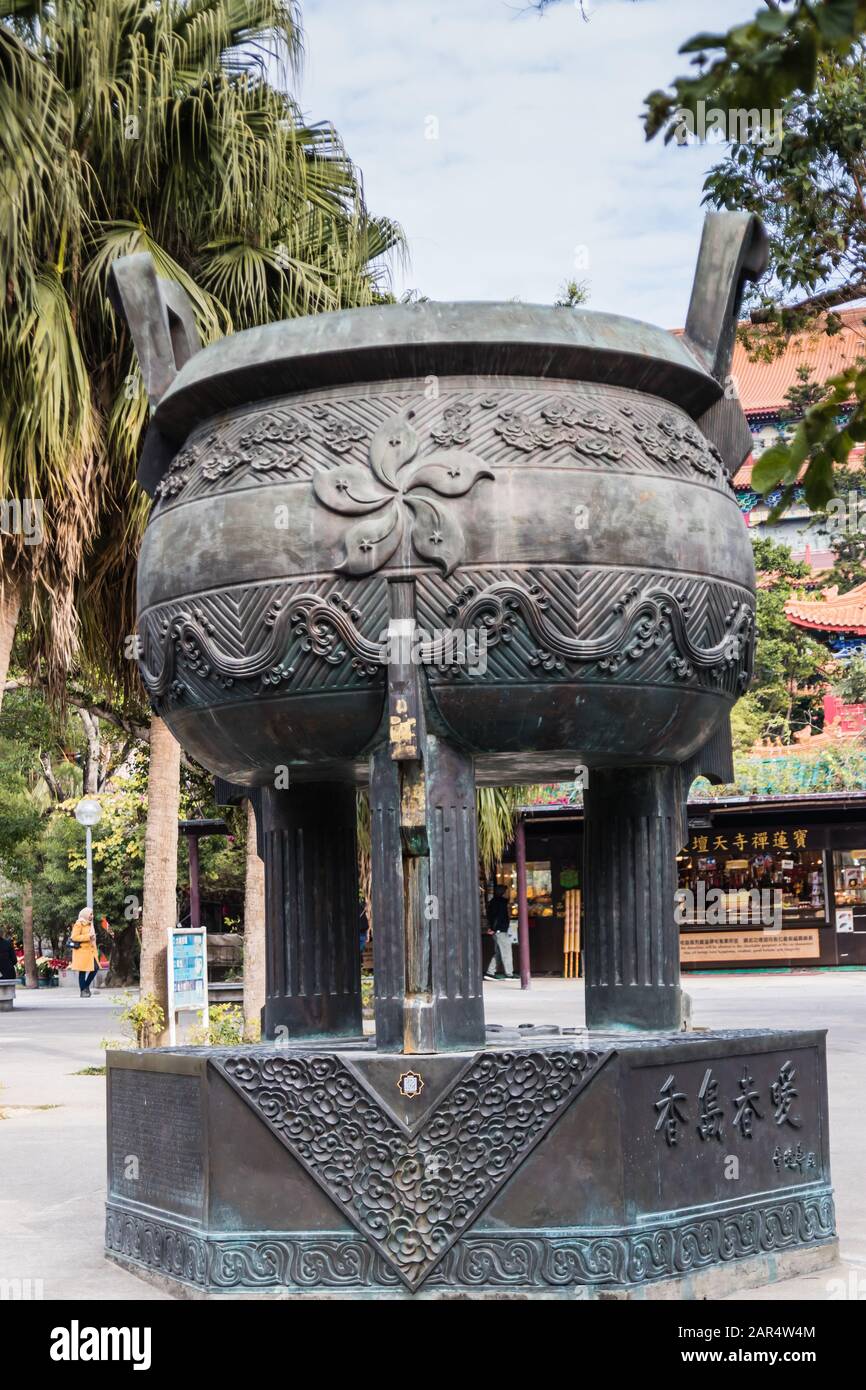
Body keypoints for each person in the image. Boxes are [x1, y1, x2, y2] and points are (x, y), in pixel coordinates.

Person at [484, 886, 514, 980]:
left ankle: (490, 972)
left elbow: (492, 916)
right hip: (500, 931)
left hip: (496, 931)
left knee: (499, 953)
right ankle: (509, 974)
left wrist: (492, 928)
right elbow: (498, 918)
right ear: (503, 893)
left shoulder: (494, 902)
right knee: (506, 952)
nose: (508, 893)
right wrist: (495, 928)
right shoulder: (501, 903)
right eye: (507, 891)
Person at [70, 907, 99, 998]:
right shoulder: (79, 924)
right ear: (85, 914)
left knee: (95, 968)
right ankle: (83, 990)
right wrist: (87, 937)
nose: (92, 916)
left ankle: (85, 986)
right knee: (82, 971)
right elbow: (74, 937)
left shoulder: (90, 924)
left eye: (92, 914)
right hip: (82, 951)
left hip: (90, 951)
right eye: (90, 914)